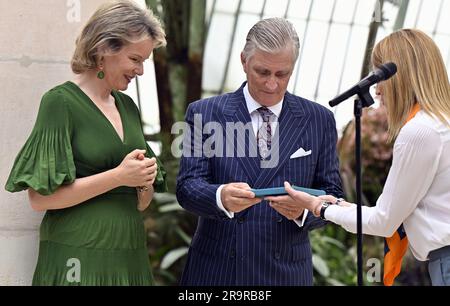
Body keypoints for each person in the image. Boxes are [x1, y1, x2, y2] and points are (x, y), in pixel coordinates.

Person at [267, 29, 450, 286]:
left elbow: (384, 222)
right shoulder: (441, 123)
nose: (376, 91)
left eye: (380, 76)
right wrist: (339, 205)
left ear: (403, 77)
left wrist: (318, 207)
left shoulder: (419, 131)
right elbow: (389, 214)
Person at [4, 0, 167, 286]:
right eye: (135, 59)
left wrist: (143, 182)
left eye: (144, 61)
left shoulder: (128, 107)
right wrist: (118, 176)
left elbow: (141, 204)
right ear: (104, 49)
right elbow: (40, 198)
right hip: (77, 255)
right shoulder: (60, 102)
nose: (140, 71)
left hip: (129, 254)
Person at [176, 17, 343, 286]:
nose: (271, 85)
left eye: (282, 74)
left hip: (286, 273)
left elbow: (333, 193)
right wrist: (221, 197)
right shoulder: (205, 113)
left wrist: (305, 210)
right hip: (218, 272)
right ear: (244, 61)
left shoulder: (318, 119)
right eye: (262, 72)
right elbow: (187, 187)